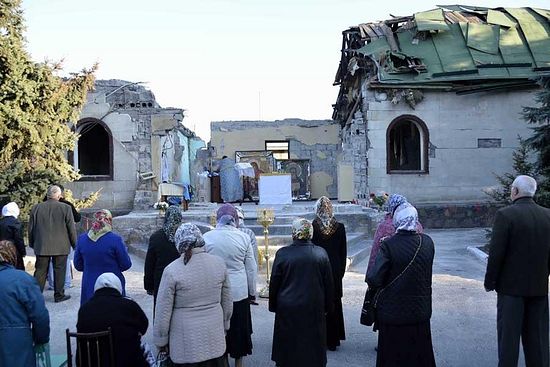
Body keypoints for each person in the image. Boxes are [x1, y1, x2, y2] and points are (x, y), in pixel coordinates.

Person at [484, 175, 550, 367]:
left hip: (510, 291)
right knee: (538, 342)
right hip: (538, 289)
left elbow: (496, 253)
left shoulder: (506, 215)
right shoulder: (548, 215)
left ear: (515, 191)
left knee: (508, 344)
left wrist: (490, 282)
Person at [154, 223, 233, 367]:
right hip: (214, 335)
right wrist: (225, 324)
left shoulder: (172, 270)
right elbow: (227, 301)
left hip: (185, 343)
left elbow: (163, 311)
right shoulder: (219, 264)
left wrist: (161, 340)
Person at [367, 204, 436, 367]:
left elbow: (374, 279)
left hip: (393, 313)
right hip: (420, 311)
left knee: (393, 357)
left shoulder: (388, 245)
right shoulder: (427, 242)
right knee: (419, 355)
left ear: (397, 220)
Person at [269, 218, 335, 367]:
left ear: (294, 233)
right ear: (310, 233)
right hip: (313, 305)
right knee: (312, 345)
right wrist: (328, 307)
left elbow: (275, 283)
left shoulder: (283, 254)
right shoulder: (320, 253)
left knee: (288, 344)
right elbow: (329, 284)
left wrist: (274, 306)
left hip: (288, 306)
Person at [203, 203, 256, 367]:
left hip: (216, 290)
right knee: (239, 329)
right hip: (238, 291)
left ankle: (222, 360)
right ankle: (239, 363)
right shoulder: (244, 237)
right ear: (235, 219)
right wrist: (252, 292)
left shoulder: (207, 237)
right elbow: (251, 268)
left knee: (220, 329)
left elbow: (203, 265)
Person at [76, 272, 149, 367]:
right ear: (118, 287)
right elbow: (144, 327)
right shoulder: (129, 305)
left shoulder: (84, 309)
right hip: (125, 362)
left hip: (91, 363)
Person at [0, 240, 50, 367]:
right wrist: (41, 339)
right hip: (17, 342)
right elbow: (40, 316)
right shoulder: (23, 280)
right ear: (12, 256)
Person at [29, 185, 77, 303]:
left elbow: (31, 228)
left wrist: (32, 243)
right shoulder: (66, 208)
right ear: (59, 195)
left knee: (40, 270)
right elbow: (71, 229)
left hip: (42, 245)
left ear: (48, 194)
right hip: (61, 245)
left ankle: (36, 296)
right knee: (59, 270)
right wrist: (75, 244)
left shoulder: (36, 208)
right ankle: (59, 295)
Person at [74, 209, 132, 305]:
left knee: (91, 314)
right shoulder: (115, 239)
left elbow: (78, 265)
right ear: (108, 221)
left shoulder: (82, 239)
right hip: (113, 285)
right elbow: (126, 264)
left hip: (89, 284)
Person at [311, 196, 347, 351]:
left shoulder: (313, 226)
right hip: (335, 267)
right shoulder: (339, 227)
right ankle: (334, 339)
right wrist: (340, 271)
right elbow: (343, 252)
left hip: (318, 267)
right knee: (334, 301)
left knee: (319, 302)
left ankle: (320, 338)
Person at [367, 194, 424, 275]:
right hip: (413, 271)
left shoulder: (384, 226)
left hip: (390, 272)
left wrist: (370, 273)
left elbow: (375, 251)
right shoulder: (416, 224)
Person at [144, 205, 182, 310]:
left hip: (162, 280)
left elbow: (150, 264)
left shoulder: (156, 237)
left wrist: (149, 286)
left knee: (162, 311)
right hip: (182, 279)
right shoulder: (185, 235)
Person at [46, 184, 81, 290]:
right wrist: (75, 243)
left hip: (48, 236)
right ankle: (66, 283)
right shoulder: (66, 205)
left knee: (52, 261)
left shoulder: (44, 204)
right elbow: (76, 219)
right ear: (60, 194)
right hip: (63, 237)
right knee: (64, 261)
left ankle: (52, 284)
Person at [235, 206, 259, 305]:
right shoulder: (248, 233)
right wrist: (252, 292)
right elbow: (252, 265)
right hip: (242, 283)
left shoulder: (215, 235)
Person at [0, 202, 26, 270]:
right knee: (17, 270)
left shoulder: (1, 222)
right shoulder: (16, 223)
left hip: (1, 250)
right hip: (13, 251)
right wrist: (22, 252)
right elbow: (19, 239)